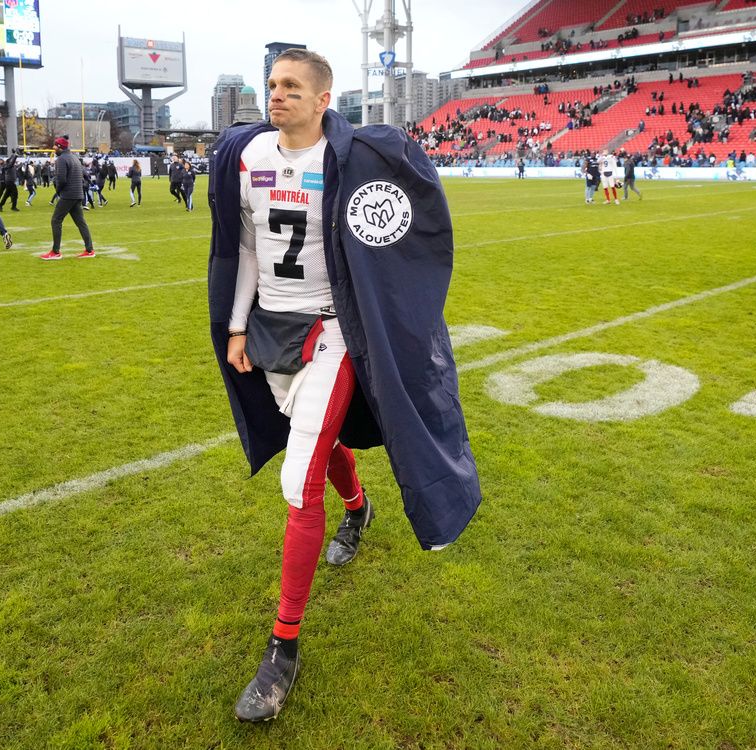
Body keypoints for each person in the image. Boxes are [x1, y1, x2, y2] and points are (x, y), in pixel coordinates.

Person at [208, 48, 480, 723]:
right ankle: (358, 507)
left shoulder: (350, 161)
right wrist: (237, 326)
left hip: (332, 332)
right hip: (273, 329)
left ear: (324, 98)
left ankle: (283, 649)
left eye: (293, 87)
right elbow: (242, 247)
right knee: (319, 442)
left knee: (297, 481)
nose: (278, 95)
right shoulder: (246, 158)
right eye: (273, 85)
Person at [41, 137, 95, 260]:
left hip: (68, 195)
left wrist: (58, 191)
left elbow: (61, 179)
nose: (54, 148)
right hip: (78, 194)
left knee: (56, 220)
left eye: (55, 146)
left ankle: (55, 252)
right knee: (81, 223)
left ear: (60, 147)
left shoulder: (61, 159)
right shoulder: (74, 158)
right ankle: (89, 249)